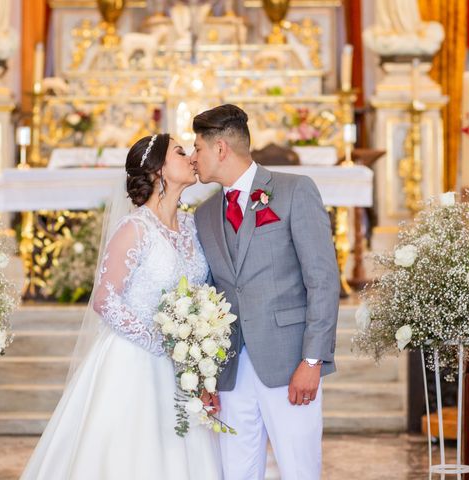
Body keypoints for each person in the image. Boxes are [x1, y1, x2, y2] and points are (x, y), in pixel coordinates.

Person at [21, 133, 222, 479]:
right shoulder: (134, 228)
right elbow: (105, 299)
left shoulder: (192, 226)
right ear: (159, 169)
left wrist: (194, 349)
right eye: (179, 152)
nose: (190, 157)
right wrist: (162, 342)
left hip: (183, 365)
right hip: (134, 359)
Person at [191, 104, 340, 480]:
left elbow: (322, 279)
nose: (194, 158)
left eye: (198, 148)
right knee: (236, 472)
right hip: (231, 370)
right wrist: (207, 375)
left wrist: (312, 361)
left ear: (220, 148)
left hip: (290, 363)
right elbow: (212, 292)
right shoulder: (205, 214)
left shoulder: (293, 191)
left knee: (299, 469)